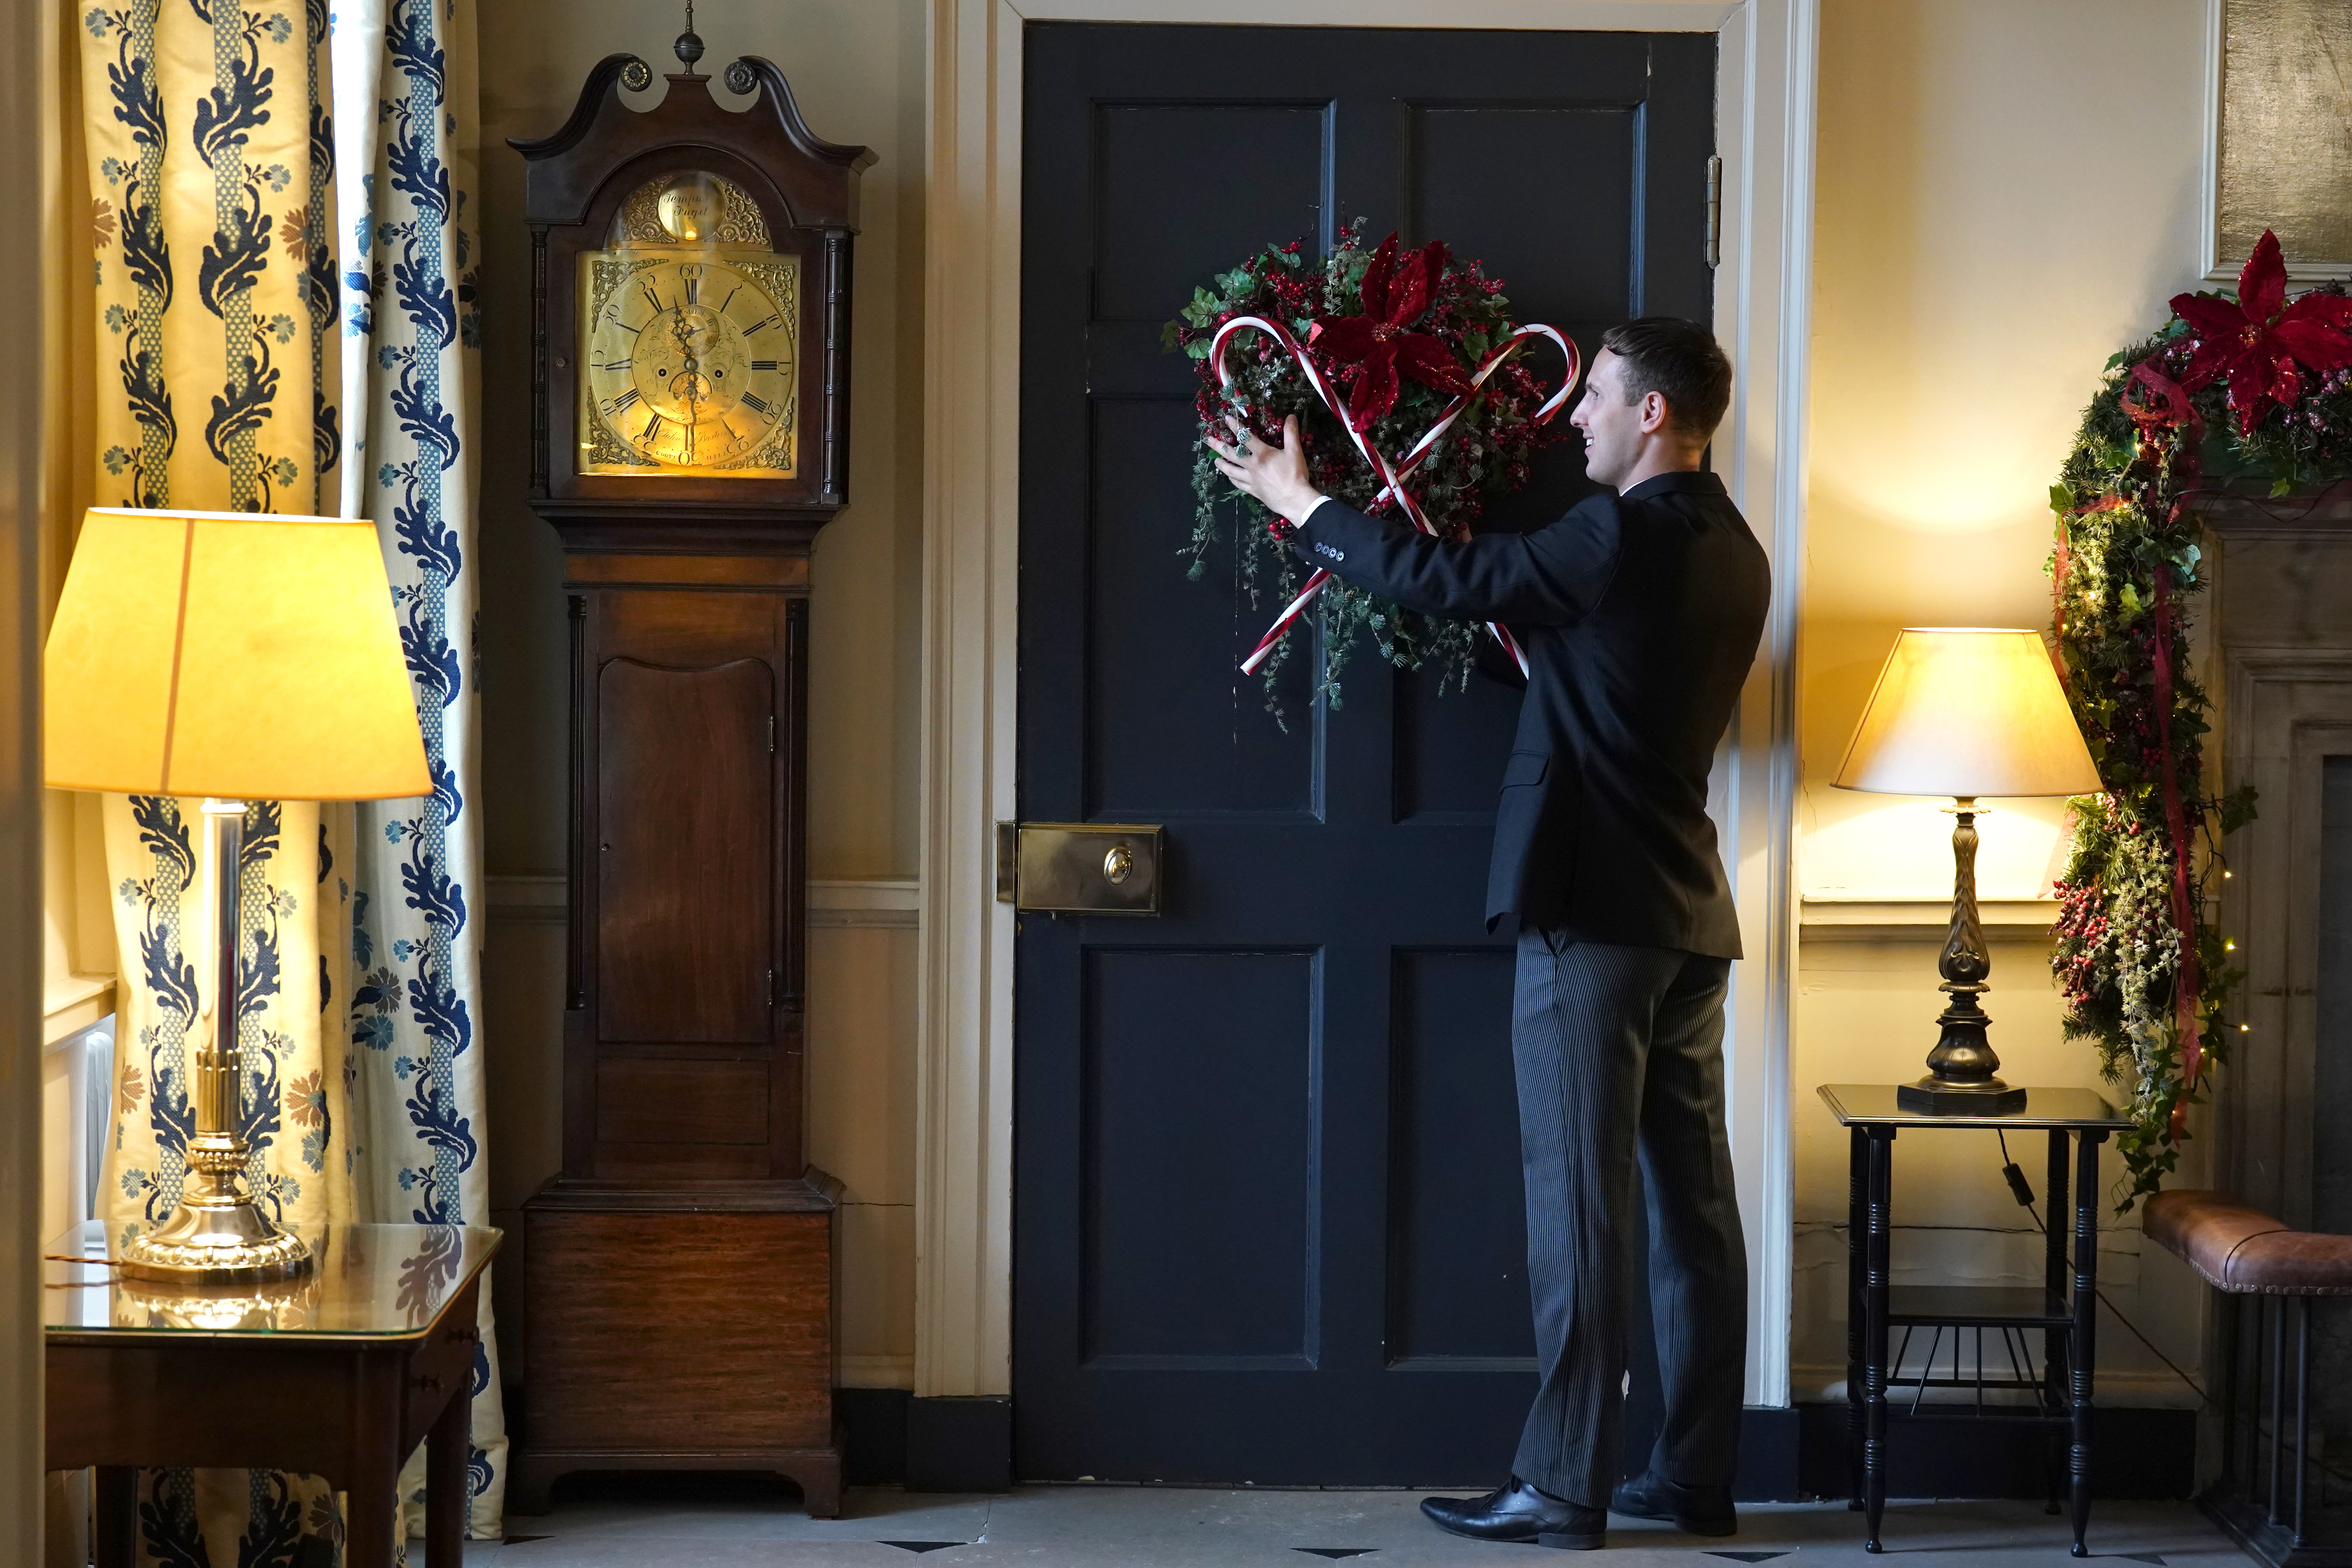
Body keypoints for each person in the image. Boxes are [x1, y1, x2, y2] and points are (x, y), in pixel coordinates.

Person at [1207, 318, 1769, 1552]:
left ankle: (1564, 1489)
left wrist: (1304, 503)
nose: (1576, 417)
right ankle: (1695, 1478)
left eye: (1600, 399)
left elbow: (1451, 580)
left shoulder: (1609, 532)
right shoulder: (1735, 550)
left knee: (1580, 1208)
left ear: (1653, 416)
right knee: (1694, 1216)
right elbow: (1592, 670)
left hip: (1593, 916)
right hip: (1689, 915)